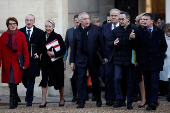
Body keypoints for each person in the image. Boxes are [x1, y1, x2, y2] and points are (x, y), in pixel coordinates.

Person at [130, 13, 167, 110]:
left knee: (154, 81)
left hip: (156, 61)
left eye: (146, 19)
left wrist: (160, 54)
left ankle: (154, 102)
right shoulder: (139, 31)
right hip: (144, 61)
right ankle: (150, 101)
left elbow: (164, 45)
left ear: (152, 21)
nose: (144, 21)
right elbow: (135, 46)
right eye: (142, 19)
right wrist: (131, 38)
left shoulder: (159, 31)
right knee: (147, 82)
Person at [70, 12, 108, 108]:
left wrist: (105, 57)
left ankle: (98, 99)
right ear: (80, 21)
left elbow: (102, 44)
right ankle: (82, 101)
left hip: (93, 58)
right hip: (81, 59)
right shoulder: (76, 31)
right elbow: (73, 48)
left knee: (95, 80)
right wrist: (72, 62)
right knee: (81, 81)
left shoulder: (95, 29)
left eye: (88, 18)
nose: (87, 21)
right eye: (84, 19)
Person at [108, 11, 138, 109]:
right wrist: (113, 43)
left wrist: (132, 39)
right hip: (118, 59)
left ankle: (129, 102)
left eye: (122, 19)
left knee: (130, 81)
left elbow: (139, 44)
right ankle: (119, 99)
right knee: (117, 79)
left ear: (128, 19)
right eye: (119, 19)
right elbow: (109, 44)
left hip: (129, 60)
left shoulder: (134, 29)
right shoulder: (115, 30)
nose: (120, 21)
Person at [0, 17, 29, 109]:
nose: (12, 25)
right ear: (7, 25)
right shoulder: (3, 36)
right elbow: (0, 50)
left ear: (16, 25)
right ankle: (16, 97)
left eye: (14, 24)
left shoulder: (21, 35)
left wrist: (25, 63)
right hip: (6, 62)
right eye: (10, 24)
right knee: (11, 81)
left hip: (17, 62)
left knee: (13, 80)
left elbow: (25, 50)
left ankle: (12, 99)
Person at [38, 19, 66, 108]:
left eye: (49, 26)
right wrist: (39, 54)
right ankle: (43, 101)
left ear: (53, 27)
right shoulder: (42, 36)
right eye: (46, 26)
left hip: (57, 63)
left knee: (59, 81)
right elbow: (38, 48)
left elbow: (64, 50)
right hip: (45, 63)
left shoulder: (58, 36)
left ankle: (62, 98)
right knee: (44, 81)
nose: (47, 28)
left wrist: (55, 54)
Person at [19, 14, 44, 106]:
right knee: (24, 79)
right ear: (25, 21)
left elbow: (42, 46)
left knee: (31, 80)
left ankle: (29, 100)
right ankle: (29, 93)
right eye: (27, 20)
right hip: (23, 60)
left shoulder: (40, 32)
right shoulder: (20, 32)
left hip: (34, 60)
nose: (28, 22)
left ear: (34, 21)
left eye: (30, 20)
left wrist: (39, 53)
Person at [102, 8, 120, 106]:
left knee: (118, 78)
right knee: (108, 77)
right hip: (108, 57)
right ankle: (109, 98)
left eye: (115, 15)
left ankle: (119, 98)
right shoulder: (105, 27)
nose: (113, 17)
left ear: (119, 16)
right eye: (112, 15)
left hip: (119, 56)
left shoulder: (122, 26)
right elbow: (102, 43)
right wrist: (104, 56)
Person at [64, 14, 80, 102]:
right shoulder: (69, 31)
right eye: (76, 22)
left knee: (82, 77)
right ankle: (75, 95)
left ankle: (82, 95)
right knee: (73, 77)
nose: (78, 24)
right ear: (73, 22)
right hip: (72, 57)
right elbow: (66, 45)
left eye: (79, 22)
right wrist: (64, 58)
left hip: (82, 57)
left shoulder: (84, 31)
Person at [160, 23, 170, 101]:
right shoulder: (163, 38)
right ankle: (165, 91)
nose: (168, 33)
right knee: (164, 76)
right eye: (166, 32)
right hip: (165, 59)